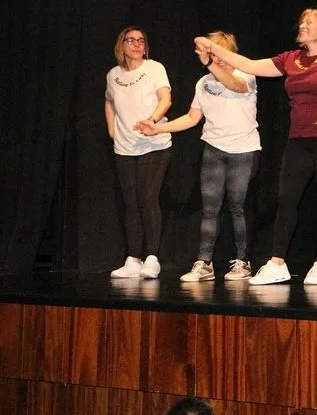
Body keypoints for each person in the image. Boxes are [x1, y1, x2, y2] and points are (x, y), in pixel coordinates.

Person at [195, 9, 317, 286]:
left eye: (309, 23)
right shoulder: (290, 59)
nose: (302, 25)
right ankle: (278, 262)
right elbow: (249, 65)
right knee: (287, 198)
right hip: (299, 138)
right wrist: (213, 48)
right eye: (302, 21)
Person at [138, 31, 260, 282]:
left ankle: (243, 262)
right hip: (214, 149)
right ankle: (204, 263)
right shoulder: (203, 82)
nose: (217, 58)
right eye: (213, 53)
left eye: (220, 53)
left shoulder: (245, 75)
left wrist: (211, 63)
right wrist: (157, 127)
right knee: (209, 209)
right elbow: (192, 118)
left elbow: (234, 85)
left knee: (237, 206)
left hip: (243, 150)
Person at [105, 27, 173, 279]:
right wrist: (112, 129)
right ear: (121, 45)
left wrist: (151, 120)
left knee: (147, 197)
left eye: (140, 41)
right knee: (131, 202)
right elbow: (109, 100)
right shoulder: (113, 75)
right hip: (124, 148)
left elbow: (166, 99)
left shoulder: (154, 68)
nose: (136, 44)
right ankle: (133, 259)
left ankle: (152, 258)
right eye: (130, 40)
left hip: (153, 144)